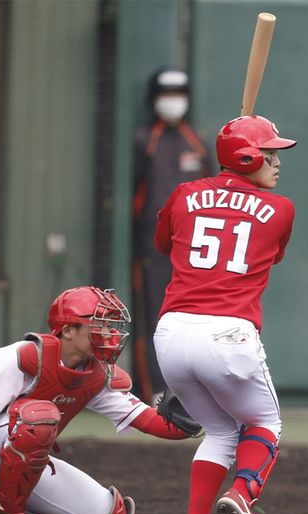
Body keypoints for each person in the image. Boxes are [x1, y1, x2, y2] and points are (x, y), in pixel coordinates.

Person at [0, 286, 195, 514]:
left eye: (109, 326)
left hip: (20, 459)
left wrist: (198, 417)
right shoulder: (22, 357)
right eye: (99, 325)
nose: (109, 333)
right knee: (39, 416)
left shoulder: (95, 373)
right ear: (68, 330)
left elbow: (146, 419)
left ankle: (21, 511)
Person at [153, 115, 296, 514]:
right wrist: (233, 199)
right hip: (228, 335)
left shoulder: (182, 194)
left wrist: (215, 195)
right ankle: (243, 493)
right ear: (247, 156)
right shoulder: (282, 210)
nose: (276, 161)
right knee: (265, 423)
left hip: (172, 334)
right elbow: (270, 257)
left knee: (219, 432)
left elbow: (165, 243)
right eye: (268, 152)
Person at [132, 67, 211, 404]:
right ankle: (152, 394)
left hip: (195, 253)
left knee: (195, 323)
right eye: (166, 94)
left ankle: (193, 396)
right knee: (154, 320)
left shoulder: (199, 143)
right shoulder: (143, 140)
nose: (172, 102)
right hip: (153, 252)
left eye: (178, 94)